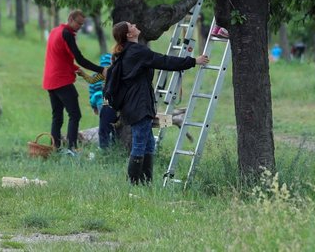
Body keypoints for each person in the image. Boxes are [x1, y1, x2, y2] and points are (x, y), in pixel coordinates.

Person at [107, 21, 209, 184]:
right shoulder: (137, 52)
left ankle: (146, 183)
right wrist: (193, 61)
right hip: (139, 106)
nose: (134, 24)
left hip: (133, 105)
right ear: (129, 34)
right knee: (140, 145)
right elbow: (164, 61)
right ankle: (133, 184)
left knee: (148, 145)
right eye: (131, 25)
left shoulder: (125, 52)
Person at [42, 10, 105, 152]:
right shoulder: (67, 34)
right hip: (61, 80)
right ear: (71, 19)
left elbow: (60, 56)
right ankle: (71, 148)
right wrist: (101, 70)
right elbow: (80, 58)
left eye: (82, 25)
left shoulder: (55, 31)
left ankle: (55, 147)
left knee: (57, 116)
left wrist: (75, 69)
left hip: (50, 80)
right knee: (75, 114)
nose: (80, 27)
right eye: (78, 23)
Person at [87, 54, 119, 149]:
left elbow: (91, 92)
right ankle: (113, 143)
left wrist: (93, 106)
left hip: (99, 102)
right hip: (110, 102)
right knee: (112, 125)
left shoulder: (95, 75)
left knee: (103, 126)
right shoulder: (113, 74)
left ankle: (104, 147)